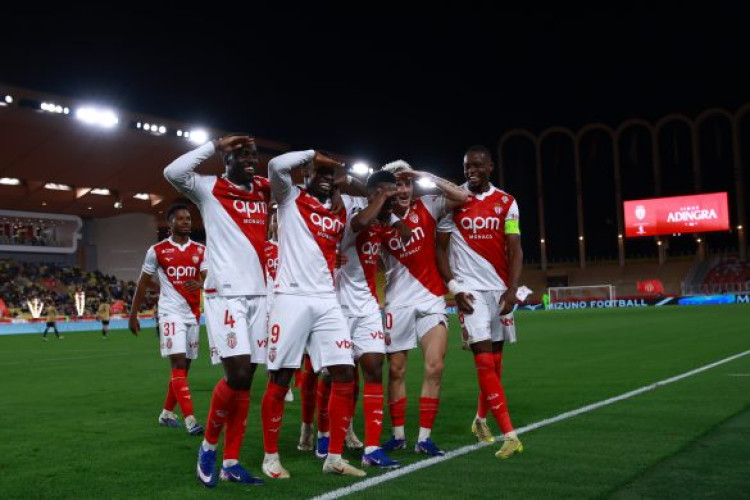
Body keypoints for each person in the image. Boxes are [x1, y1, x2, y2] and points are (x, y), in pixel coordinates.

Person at [164, 134, 268, 487]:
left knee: (247, 380)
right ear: (227, 160)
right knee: (236, 375)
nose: (250, 160)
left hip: (260, 295)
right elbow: (172, 172)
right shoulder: (208, 188)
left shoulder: (263, 189)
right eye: (242, 155)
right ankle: (208, 447)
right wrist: (214, 144)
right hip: (225, 295)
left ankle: (231, 462)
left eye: (253, 155)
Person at [260, 149, 366, 478]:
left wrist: (342, 177)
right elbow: (275, 165)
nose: (324, 178)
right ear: (305, 175)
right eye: (317, 173)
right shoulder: (289, 197)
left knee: (344, 372)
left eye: (329, 176)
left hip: (327, 298)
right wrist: (314, 156)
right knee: (281, 377)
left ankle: (333, 456)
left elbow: (372, 191)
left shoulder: (339, 208)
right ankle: (270, 457)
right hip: (291, 297)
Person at [434, 145, 523, 459]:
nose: (472, 171)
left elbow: (515, 248)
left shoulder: (507, 202)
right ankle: (510, 434)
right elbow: (440, 249)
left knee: (495, 364)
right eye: (467, 166)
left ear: (490, 167)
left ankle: (480, 420)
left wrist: (512, 290)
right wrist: (454, 288)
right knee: (484, 362)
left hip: (498, 291)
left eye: (477, 166)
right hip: (469, 292)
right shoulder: (454, 201)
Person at [379, 160, 469, 457]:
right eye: (397, 184)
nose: (404, 189)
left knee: (435, 366)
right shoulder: (380, 219)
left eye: (407, 183)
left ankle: (424, 438)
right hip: (397, 302)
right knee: (396, 370)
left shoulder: (428, 205)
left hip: (431, 298)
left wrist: (423, 175)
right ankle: (398, 436)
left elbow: (462, 196)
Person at [335, 169, 412, 468]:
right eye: (385, 192)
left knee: (374, 369)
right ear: (372, 193)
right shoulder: (354, 207)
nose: (391, 198)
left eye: (392, 194)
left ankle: (371, 448)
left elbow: (405, 235)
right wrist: (380, 198)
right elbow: (359, 223)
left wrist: (391, 212)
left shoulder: (384, 217)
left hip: (367, 305)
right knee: (340, 376)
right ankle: (328, 440)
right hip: (338, 306)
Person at [129, 203, 207, 436]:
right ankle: (191, 420)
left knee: (185, 368)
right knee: (178, 364)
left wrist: (201, 283)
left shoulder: (201, 250)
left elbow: (208, 277)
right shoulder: (157, 250)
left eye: (188, 218)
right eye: (181, 218)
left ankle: (166, 413)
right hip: (170, 312)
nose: (186, 222)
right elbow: (143, 282)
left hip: (193, 314)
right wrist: (133, 314)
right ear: (170, 223)